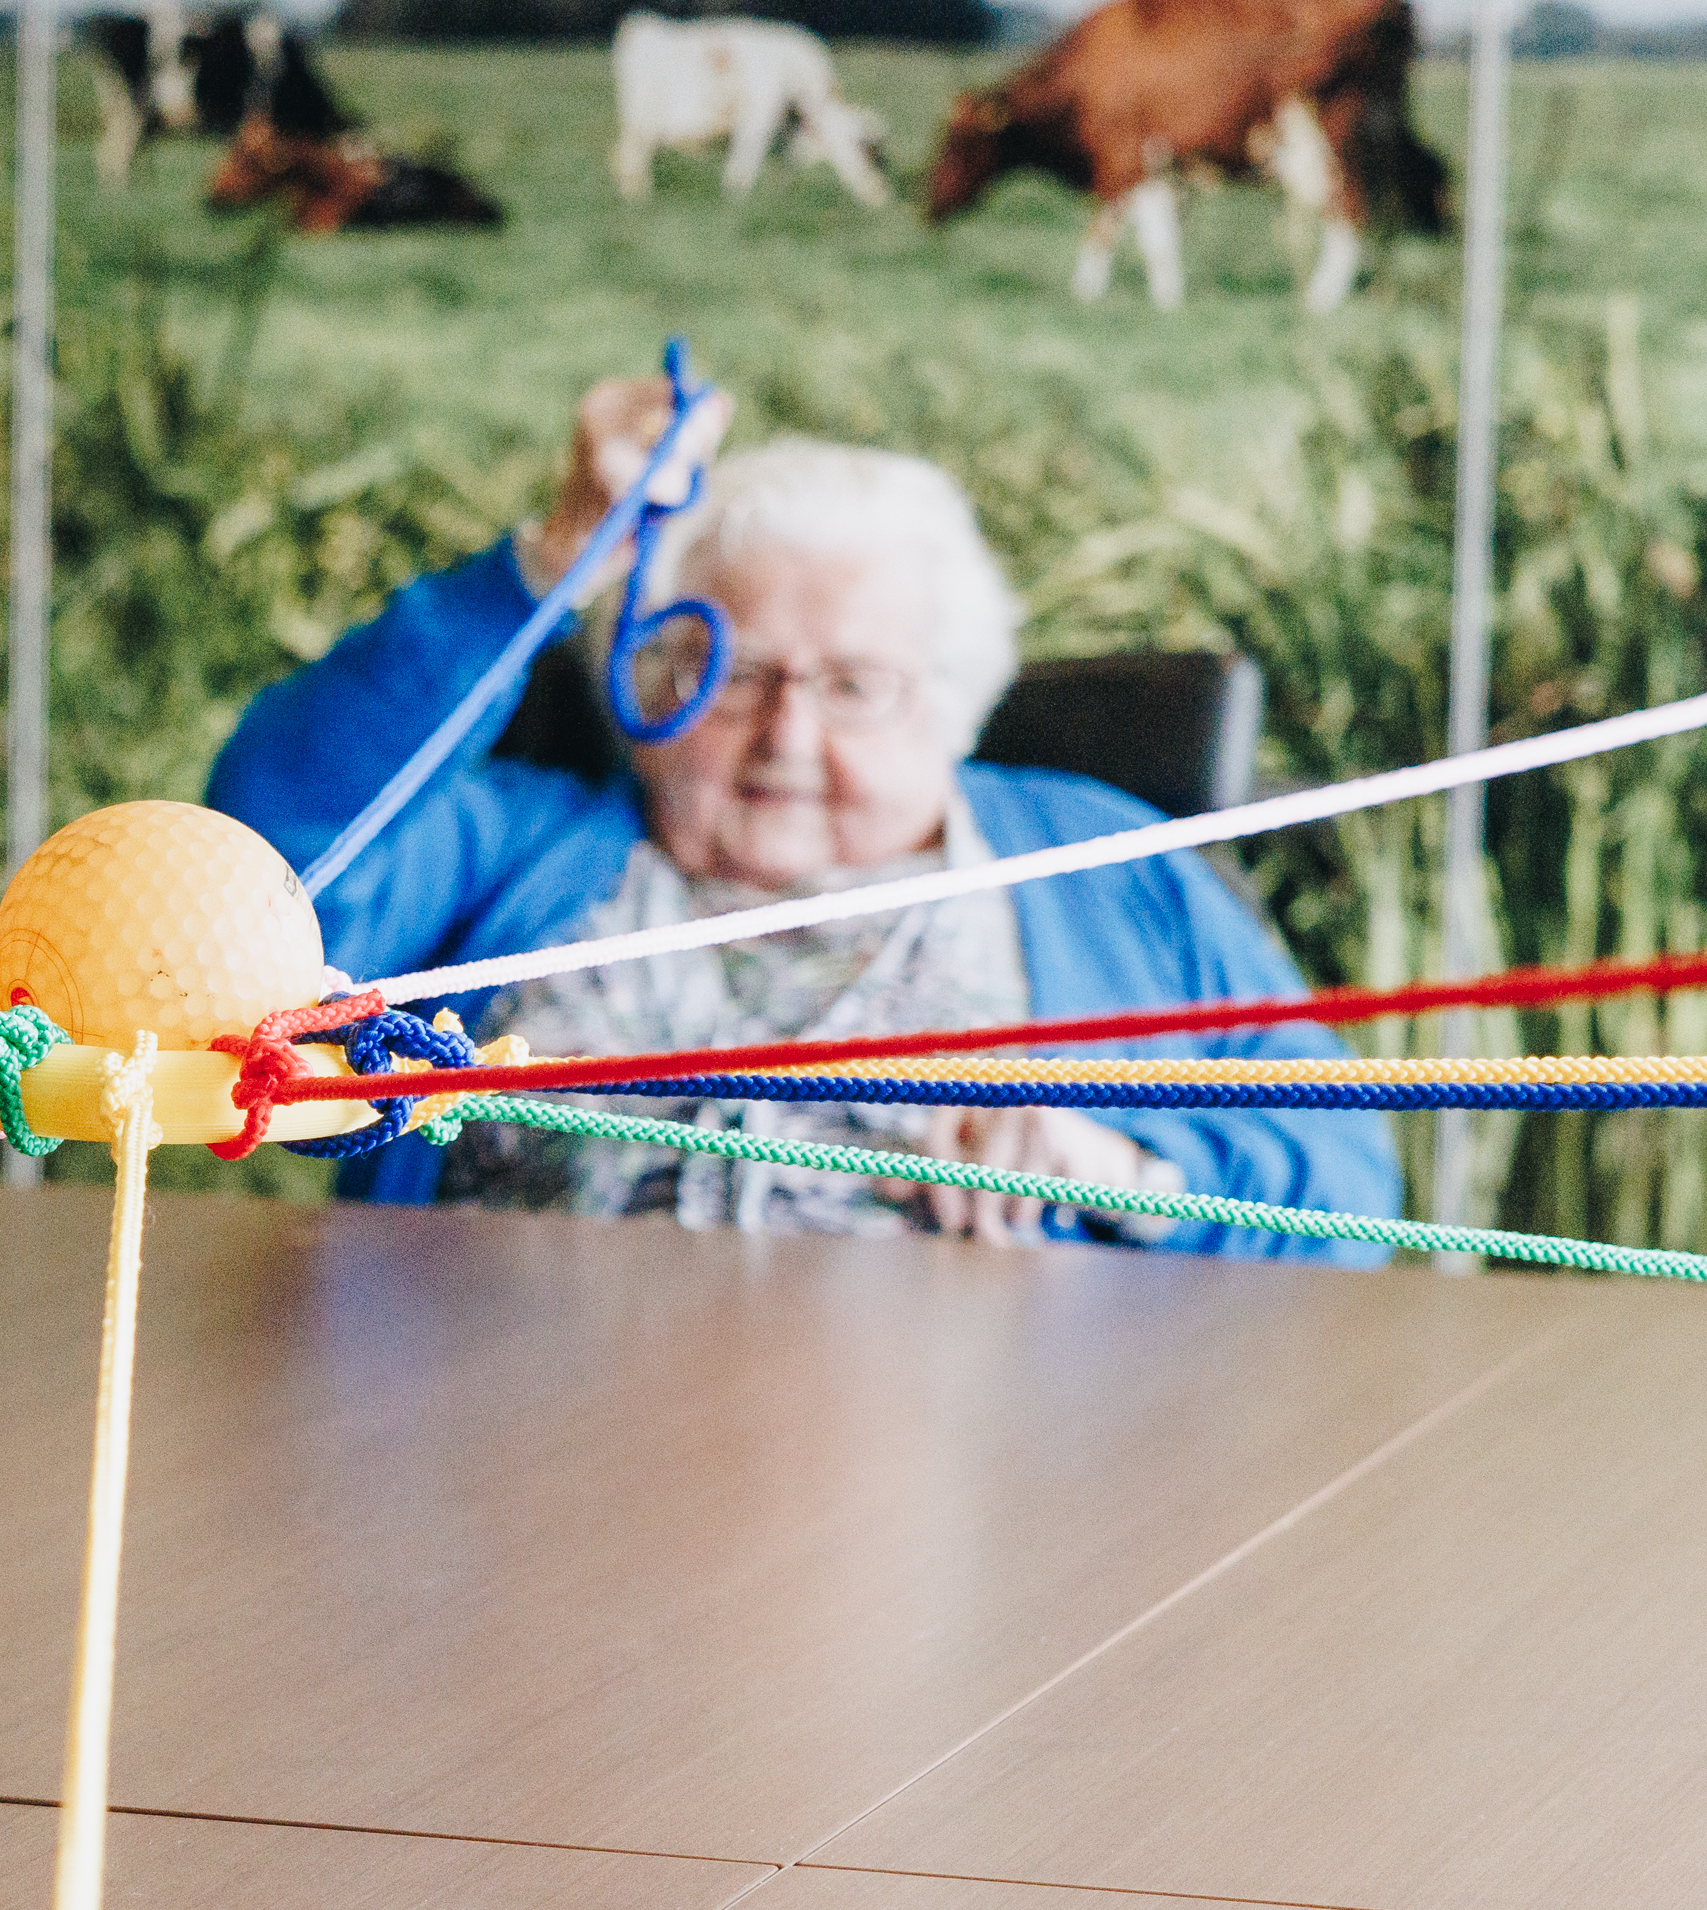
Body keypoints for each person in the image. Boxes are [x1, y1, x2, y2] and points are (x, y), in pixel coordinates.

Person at [208, 376, 1398, 1256]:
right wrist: (557, 557)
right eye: (737, 674)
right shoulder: (515, 849)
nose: (787, 736)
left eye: (854, 687)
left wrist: (1123, 1166)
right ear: (654, 680)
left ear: (954, 703)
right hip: (493, 1441)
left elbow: (1348, 1188)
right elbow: (263, 868)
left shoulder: (1111, 867)